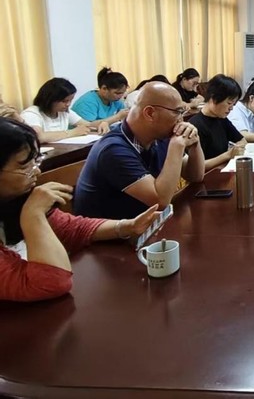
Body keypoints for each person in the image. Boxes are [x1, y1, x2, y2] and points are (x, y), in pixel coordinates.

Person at [0, 118, 161, 302]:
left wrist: (128, 226)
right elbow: (53, 282)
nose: (36, 172)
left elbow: (73, 227)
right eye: (24, 166)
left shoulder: (16, 200)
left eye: (35, 161)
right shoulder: (113, 148)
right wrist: (33, 215)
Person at [73, 82, 205, 219]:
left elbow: (195, 176)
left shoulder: (160, 136)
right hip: (114, 231)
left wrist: (195, 144)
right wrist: (176, 147)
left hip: (143, 224)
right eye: (177, 112)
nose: (181, 119)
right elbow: (160, 202)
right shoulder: (113, 150)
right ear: (150, 113)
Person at [22, 78, 110, 142]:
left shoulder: (64, 111)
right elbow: (39, 137)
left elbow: (87, 124)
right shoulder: (31, 114)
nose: (68, 104)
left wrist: (101, 124)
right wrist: (71, 133)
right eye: (64, 101)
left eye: (70, 100)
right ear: (50, 99)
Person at [188, 74, 246, 171]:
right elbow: (195, 167)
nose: (231, 108)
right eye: (229, 103)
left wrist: (238, 148)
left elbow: (242, 140)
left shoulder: (221, 119)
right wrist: (228, 155)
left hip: (224, 170)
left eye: (234, 104)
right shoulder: (195, 126)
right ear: (213, 98)